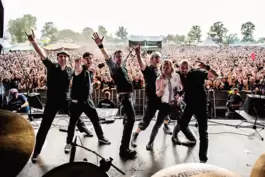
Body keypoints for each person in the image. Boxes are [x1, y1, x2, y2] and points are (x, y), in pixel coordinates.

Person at [26, 30, 92, 163]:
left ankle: (84, 128)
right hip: (51, 102)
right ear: (57, 59)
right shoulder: (51, 67)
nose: (62, 58)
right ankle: (36, 152)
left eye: (65, 56)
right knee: (44, 127)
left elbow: (82, 70)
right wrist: (33, 42)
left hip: (65, 100)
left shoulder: (70, 70)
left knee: (75, 115)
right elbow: (42, 54)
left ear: (68, 59)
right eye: (60, 56)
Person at [92, 32, 136, 159]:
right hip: (125, 97)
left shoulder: (123, 67)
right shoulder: (114, 67)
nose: (120, 58)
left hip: (129, 96)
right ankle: (124, 149)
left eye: (121, 56)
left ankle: (125, 144)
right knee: (132, 120)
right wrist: (101, 45)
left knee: (128, 119)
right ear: (114, 58)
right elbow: (107, 57)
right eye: (117, 56)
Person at [172, 60, 218, 163]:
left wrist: (207, 67)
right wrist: (179, 93)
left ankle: (203, 159)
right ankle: (192, 139)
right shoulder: (180, 75)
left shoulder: (197, 73)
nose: (184, 69)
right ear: (179, 68)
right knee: (182, 124)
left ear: (189, 67)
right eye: (182, 67)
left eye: (186, 67)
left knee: (203, 132)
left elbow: (215, 76)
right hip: (189, 104)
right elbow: (185, 87)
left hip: (201, 105)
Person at [64, 54, 111, 153]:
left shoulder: (90, 71)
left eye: (90, 58)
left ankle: (101, 137)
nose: (89, 60)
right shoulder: (81, 69)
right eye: (87, 59)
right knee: (73, 123)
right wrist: (77, 64)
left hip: (87, 100)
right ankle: (68, 143)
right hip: (77, 102)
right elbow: (77, 70)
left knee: (96, 120)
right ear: (83, 60)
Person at [131, 47, 172, 148]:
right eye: (156, 57)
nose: (158, 58)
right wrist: (137, 53)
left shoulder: (160, 71)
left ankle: (166, 126)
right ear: (151, 59)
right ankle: (135, 134)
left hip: (161, 99)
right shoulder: (148, 69)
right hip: (152, 100)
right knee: (146, 121)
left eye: (159, 57)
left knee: (166, 114)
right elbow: (141, 64)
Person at [146, 59, 182, 150]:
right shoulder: (159, 79)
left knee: (182, 122)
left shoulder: (176, 76)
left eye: (167, 67)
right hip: (165, 105)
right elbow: (157, 94)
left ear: (171, 67)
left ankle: (174, 136)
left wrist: (179, 95)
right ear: (161, 68)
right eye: (163, 67)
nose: (165, 69)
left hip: (175, 104)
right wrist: (162, 89)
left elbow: (182, 87)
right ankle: (150, 142)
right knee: (157, 124)